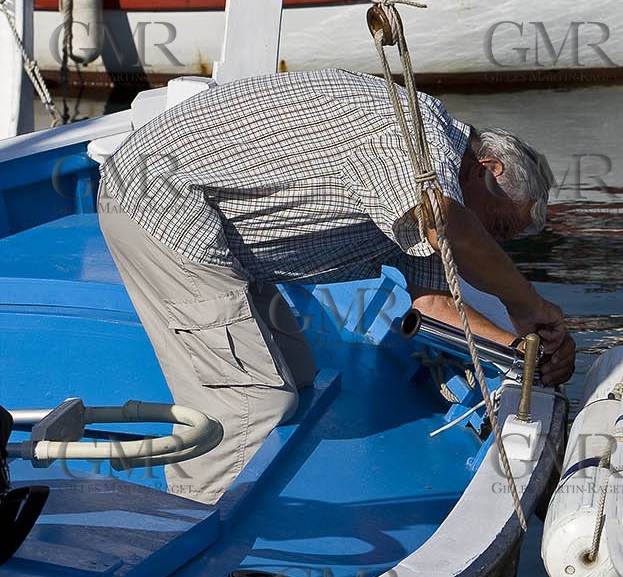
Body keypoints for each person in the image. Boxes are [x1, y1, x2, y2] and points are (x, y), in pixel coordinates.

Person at [98, 69, 576, 505]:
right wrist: (526, 302)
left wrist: (524, 354)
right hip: (160, 202)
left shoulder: (438, 191)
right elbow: (448, 225)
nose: (488, 242)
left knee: (299, 378)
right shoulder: (418, 138)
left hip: (226, 241)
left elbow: (433, 306)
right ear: (488, 169)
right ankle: (190, 519)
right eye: (495, 225)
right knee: (254, 399)